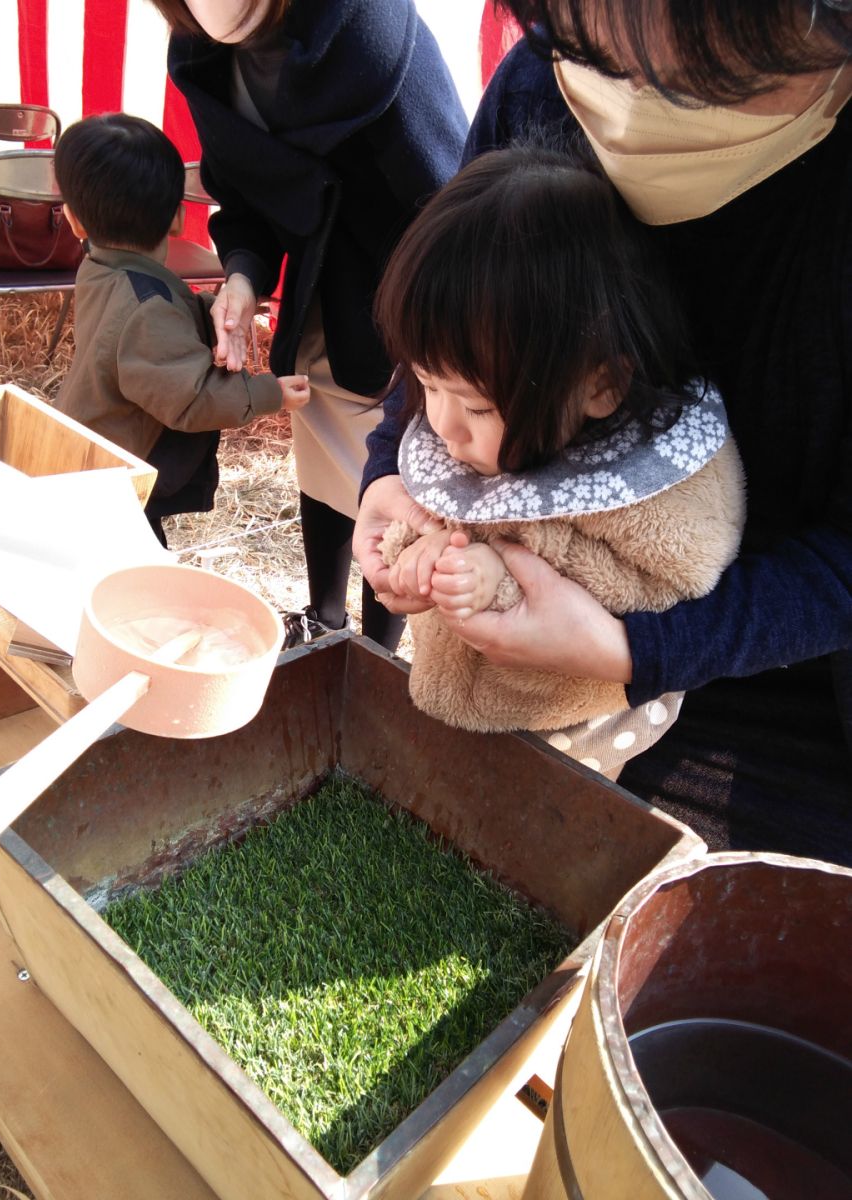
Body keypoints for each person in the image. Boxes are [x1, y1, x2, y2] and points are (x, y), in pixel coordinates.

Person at [355, 1, 852, 862]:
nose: (604, 64)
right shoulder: (542, 82)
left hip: (795, 673)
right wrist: (387, 475)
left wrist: (629, 648)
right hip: (544, 658)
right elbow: (449, 325)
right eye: (577, 25)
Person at [374, 144, 744, 779]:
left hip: (580, 727)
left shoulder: (655, 486)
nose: (442, 423)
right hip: (467, 702)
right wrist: (411, 551)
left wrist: (502, 579)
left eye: (476, 407)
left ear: (601, 387)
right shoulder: (472, 397)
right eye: (427, 385)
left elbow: (663, 584)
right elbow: (438, 513)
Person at [151, 0, 469, 646]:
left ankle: (379, 647)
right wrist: (243, 275)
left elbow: (449, 204)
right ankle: (324, 619)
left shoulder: (367, 34)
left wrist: (433, 346)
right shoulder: (203, 57)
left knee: (388, 468)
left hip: (402, 301)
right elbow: (244, 197)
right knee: (320, 451)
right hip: (320, 295)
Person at [53, 113, 309, 548]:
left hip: (90, 454)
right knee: (135, 570)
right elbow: (191, 400)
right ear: (178, 218)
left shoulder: (99, 267)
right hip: (120, 479)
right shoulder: (149, 309)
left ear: (75, 221)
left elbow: (160, 321)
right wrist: (271, 394)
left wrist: (213, 310)